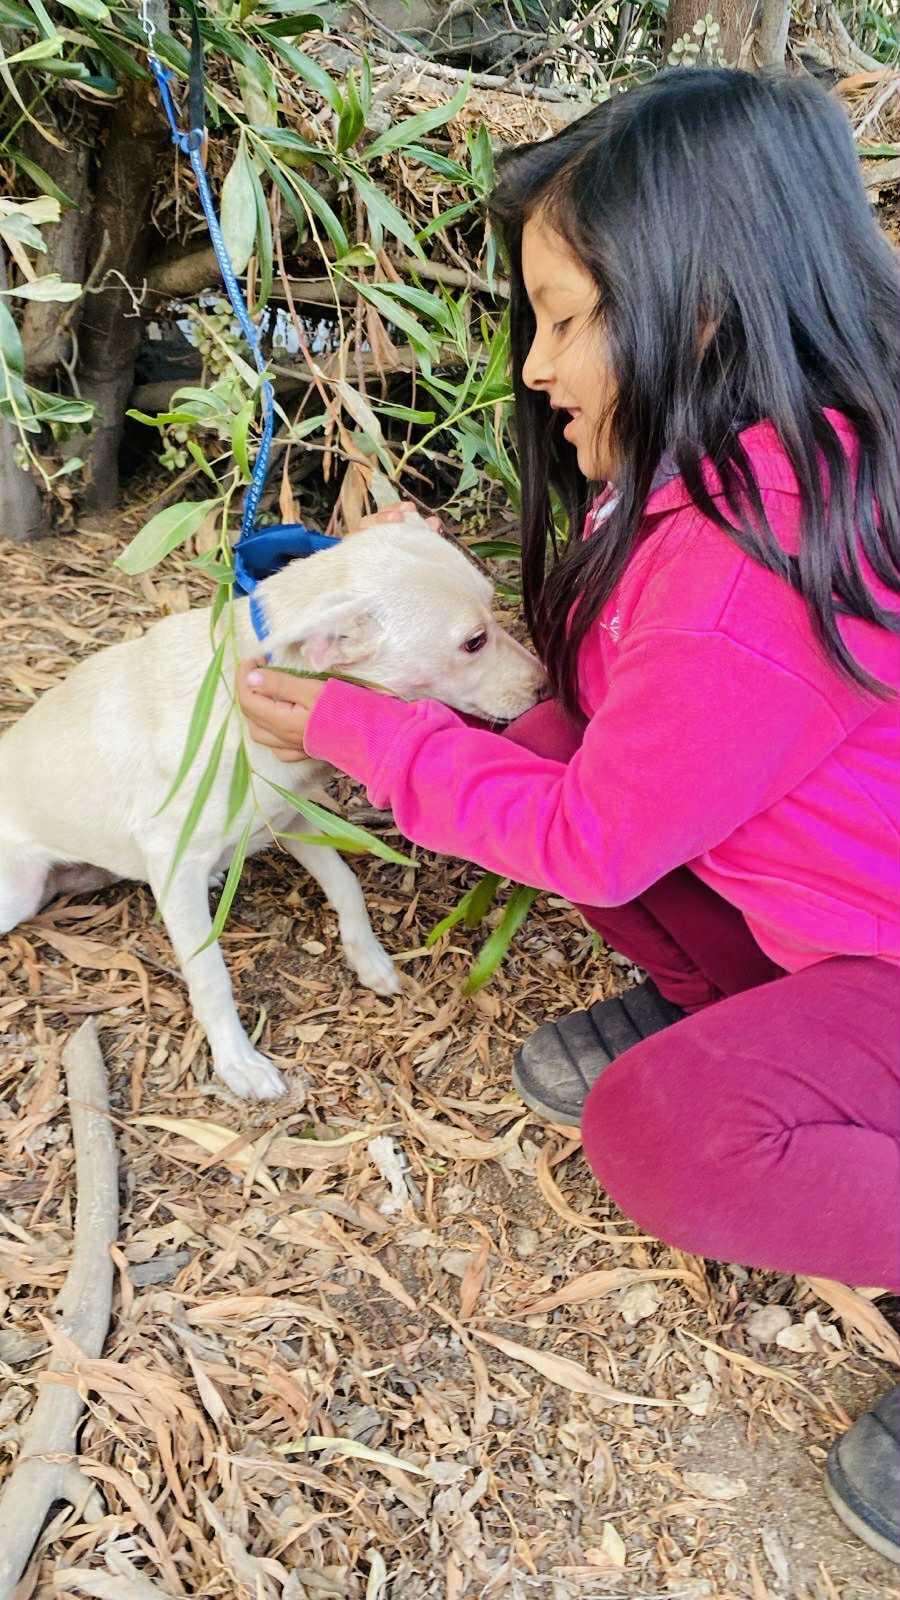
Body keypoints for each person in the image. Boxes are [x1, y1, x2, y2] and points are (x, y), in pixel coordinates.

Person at [238, 68, 900, 1562]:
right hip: (831, 900)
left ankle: (790, 1078)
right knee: (548, 738)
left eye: (563, 316)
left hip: (883, 951)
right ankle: (718, 994)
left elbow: (599, 830)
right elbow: (607, 716)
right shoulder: (740, 457)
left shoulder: (744, 563)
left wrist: (371, 733)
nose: (536, 365)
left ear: (704, 309)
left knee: (664, 1132)